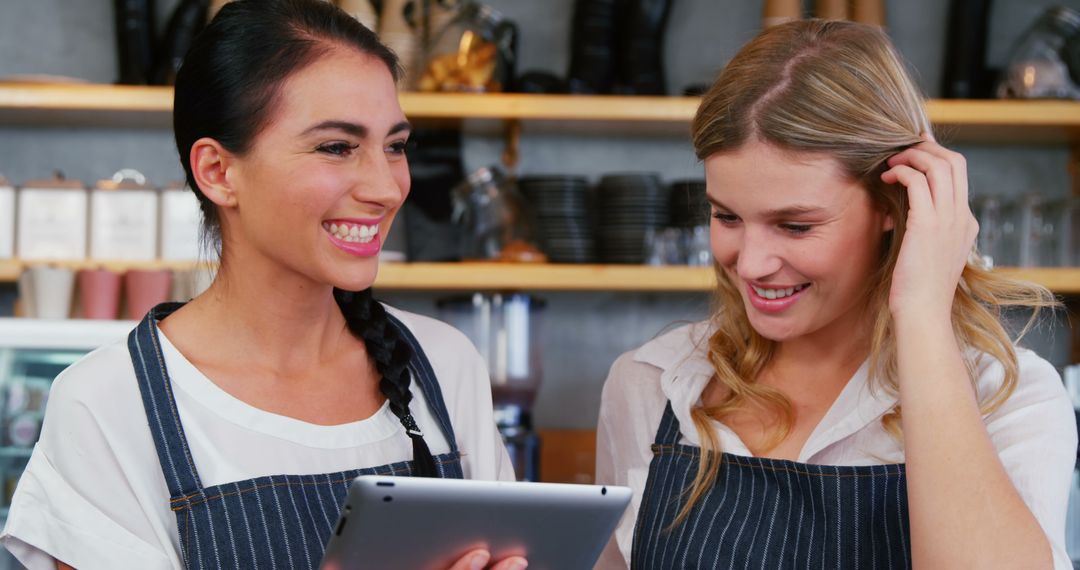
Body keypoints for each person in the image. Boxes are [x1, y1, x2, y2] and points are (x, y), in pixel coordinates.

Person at [0, 1, 527, 569]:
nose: (386, 187)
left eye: (394, 146)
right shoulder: (107, 403)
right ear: (218, 173)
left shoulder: (445, 366)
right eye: (336, 147)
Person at [596, 19, 1077, 569]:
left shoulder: (1008, 397)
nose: (749, 263)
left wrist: (921, 313)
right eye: (726, 216)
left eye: (795, 226)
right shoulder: (650, 384)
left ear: (894, 209)